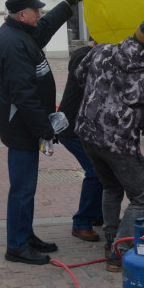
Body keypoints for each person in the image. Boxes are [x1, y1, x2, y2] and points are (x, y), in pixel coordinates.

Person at [0, 0, 81, 266]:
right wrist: (44, 128)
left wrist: (67, 6)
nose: (40, 15)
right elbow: (23, 93)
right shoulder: (12, 42)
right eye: (36, 11)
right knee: (22, 187)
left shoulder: (22, 32)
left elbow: (44, 28)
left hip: (24, 122)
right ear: (22, 15)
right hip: (20, 125)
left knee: (25, 187)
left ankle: (24, 234)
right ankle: (16, 246)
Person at [74, 21, 144, 272]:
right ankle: (119, 251)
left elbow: (78, 75)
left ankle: (110, 240)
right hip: (118, 142)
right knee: (140, 198)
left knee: (111, 187)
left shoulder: (102, 50)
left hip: (88, 133)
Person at [58, 39, 104, 244]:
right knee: (95, 172)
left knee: (103, 169)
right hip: (72, 127)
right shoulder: (84, 57)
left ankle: (97, 214)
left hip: (84, 127)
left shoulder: (96, 56)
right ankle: (81, 222)